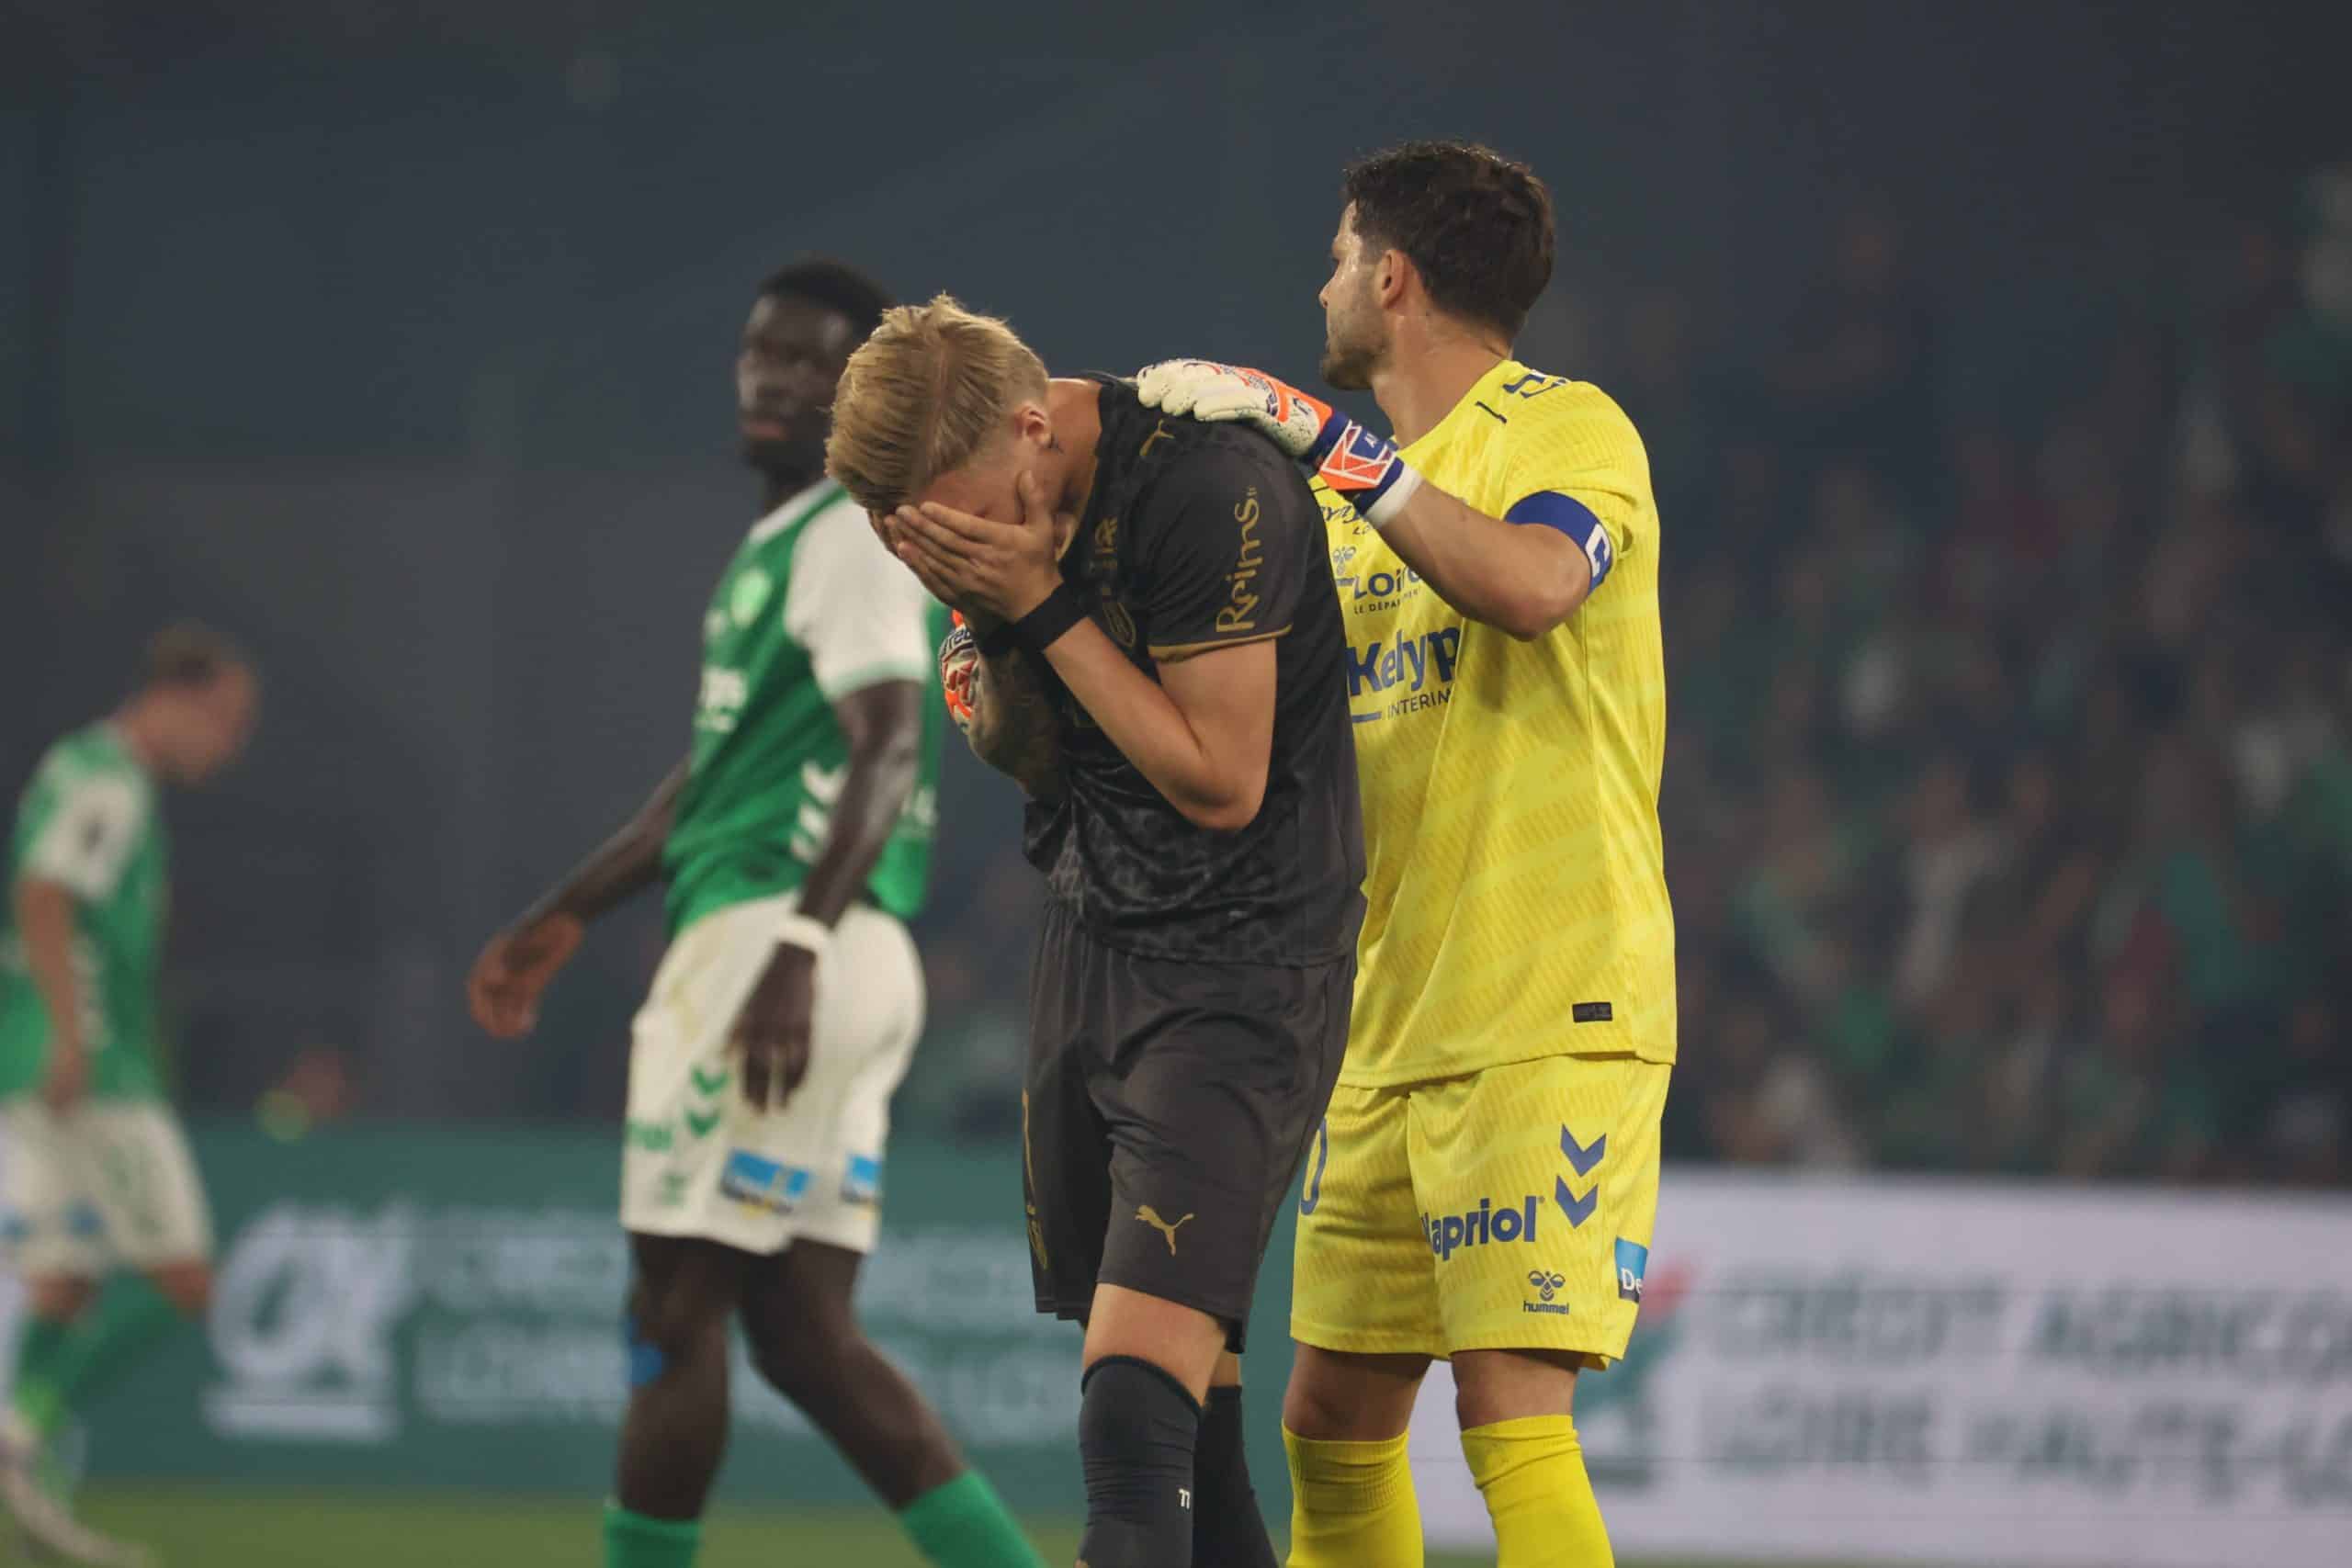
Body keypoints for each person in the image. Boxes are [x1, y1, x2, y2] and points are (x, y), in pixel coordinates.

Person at [1139, 140, 1677, 1568]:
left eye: (1335, 254)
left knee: (1514, 1420)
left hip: (1547, 1004)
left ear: (1392, 277)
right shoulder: (1326, 503)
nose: (1321, 280)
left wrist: (1331, 445)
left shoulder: (1567, 430)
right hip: (1382, 1026)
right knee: (1330, 1420)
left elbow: (1537, 584)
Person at [464, 260, 1043, 1568]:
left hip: (782, 949)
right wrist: (571, 907)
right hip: (841, 954)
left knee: (675, 1312)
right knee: (802, 1335)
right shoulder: (789, 543)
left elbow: (889, 745)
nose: (769, 380)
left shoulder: (848, 529)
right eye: (757, 354)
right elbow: (717, 782)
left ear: (860, 400)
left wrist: (792, 944)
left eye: (808, 365)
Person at [829, 295, 1364, 1568]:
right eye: (915, 538)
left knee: (1128, 1412)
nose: (939, 547)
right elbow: (1021, 753)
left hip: (1243, 968)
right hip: (1091, 951)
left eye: (951, 517)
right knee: (1199, 1415)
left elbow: (1222, 779)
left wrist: (1040, 595)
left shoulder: (1204, 486)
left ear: (1030, 425)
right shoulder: (975, 527)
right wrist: (997, 607)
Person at [0, 622, 260, 1567]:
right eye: (224, 721)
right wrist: (72, 1036)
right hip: (92, 1069)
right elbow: (42, 890)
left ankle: (35, 1506)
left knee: (67, 1281)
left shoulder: (83, 769)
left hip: (50, 1055)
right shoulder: (108, 777)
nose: (226, 745)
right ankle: (20, 1433)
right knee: (187, 1278)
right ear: (177, 698)